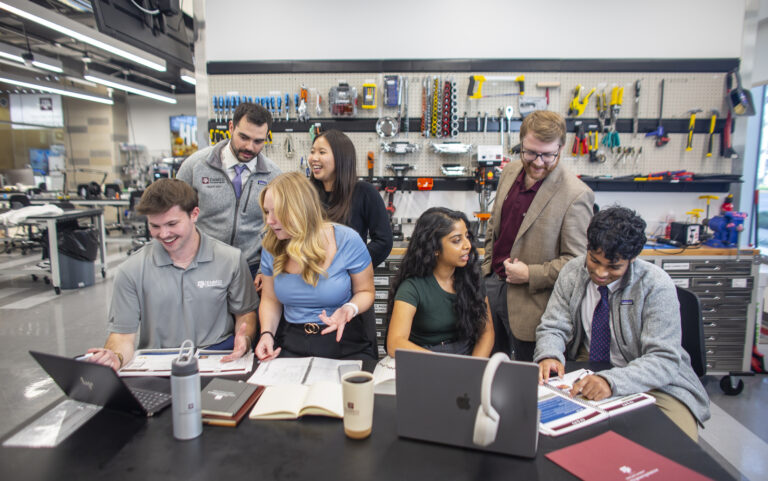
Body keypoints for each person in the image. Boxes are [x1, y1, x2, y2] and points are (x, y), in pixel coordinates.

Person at [534, 206, 710, 441]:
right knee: (553, 438)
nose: (600, 272)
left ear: (633, 259)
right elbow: (553, 325)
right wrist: (549, 354)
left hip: (655, 381)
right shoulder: (572, 272)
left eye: (613, 266)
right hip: (586, 371)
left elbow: (664, 359)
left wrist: (611, 381)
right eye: (594, 260)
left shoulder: (656, 285)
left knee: (675, 448)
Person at [85, 179, 259, 370]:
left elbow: (245, 314)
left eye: (172, 224)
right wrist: (115, 357)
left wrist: (246, 338)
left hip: (218, 358)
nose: (164, 234)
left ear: (194, 214)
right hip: (158, 364)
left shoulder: (231, 260)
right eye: (155, 226)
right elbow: (122, 336)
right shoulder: (131, 270)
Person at [481, 110, 594, 361]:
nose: (538, 162)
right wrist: (487, 271)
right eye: (530, 152)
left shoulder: (576, 195)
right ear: (521, 144)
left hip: (534, 307)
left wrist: (530, 274)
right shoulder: (510, 172)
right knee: (490, 372)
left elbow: (578, 263)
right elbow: (494, 228)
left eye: (547, 155)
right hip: (493, 290)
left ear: (561, 149)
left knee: (526, 383)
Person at [255, 172, 377, 361]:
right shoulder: (272, 246)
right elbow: (270, 300)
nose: (269, 221)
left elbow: (366, 291)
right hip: (291, 342)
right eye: (266, 212)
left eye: (276, 212)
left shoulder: (346, 239)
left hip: (343, 342)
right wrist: (266, 334)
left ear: (299, 210)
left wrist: (350, 308)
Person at [177, 102, 281, 279]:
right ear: (231, 128)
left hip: (251, 268)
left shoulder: (274, 175)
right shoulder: (196, 166)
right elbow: (174, 213)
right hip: (202, 264)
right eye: (244, 137)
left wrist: (266, 269)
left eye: (258, 141)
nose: (250, 147)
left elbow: (278, 229)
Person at [386, 207, 494, 357]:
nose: (467, 245)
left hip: (466, 357)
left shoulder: (473, 280)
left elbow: (486, 333)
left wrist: (474, 367)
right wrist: (443, 365)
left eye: (467, 236)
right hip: (424, 358)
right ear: (434, 247)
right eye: (457, 240)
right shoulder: (412, 288)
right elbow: (395, 343)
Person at [308, 129, 392, 268]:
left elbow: (383, 241)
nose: (314, 158)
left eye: (322, 152)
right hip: (311, 278)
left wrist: (352, 266)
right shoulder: (305, 192)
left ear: (341, 157)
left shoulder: (364, 192)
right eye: (312, 152)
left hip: (351, 283)